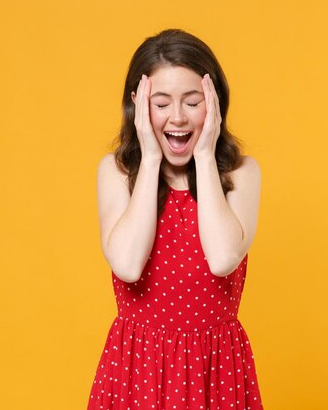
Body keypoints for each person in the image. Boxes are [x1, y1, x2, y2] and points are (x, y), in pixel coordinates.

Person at [88, 28, 263, 410]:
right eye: (161, 103)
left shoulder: (241, 174)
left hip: (215, 371)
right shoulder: (117, 173)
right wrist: (150, 160)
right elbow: (128, 266)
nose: (178, 117)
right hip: (137, 368)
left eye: (193, 101)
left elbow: (222, 258)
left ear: (214, 102)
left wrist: (203, 155)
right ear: (137, 105)